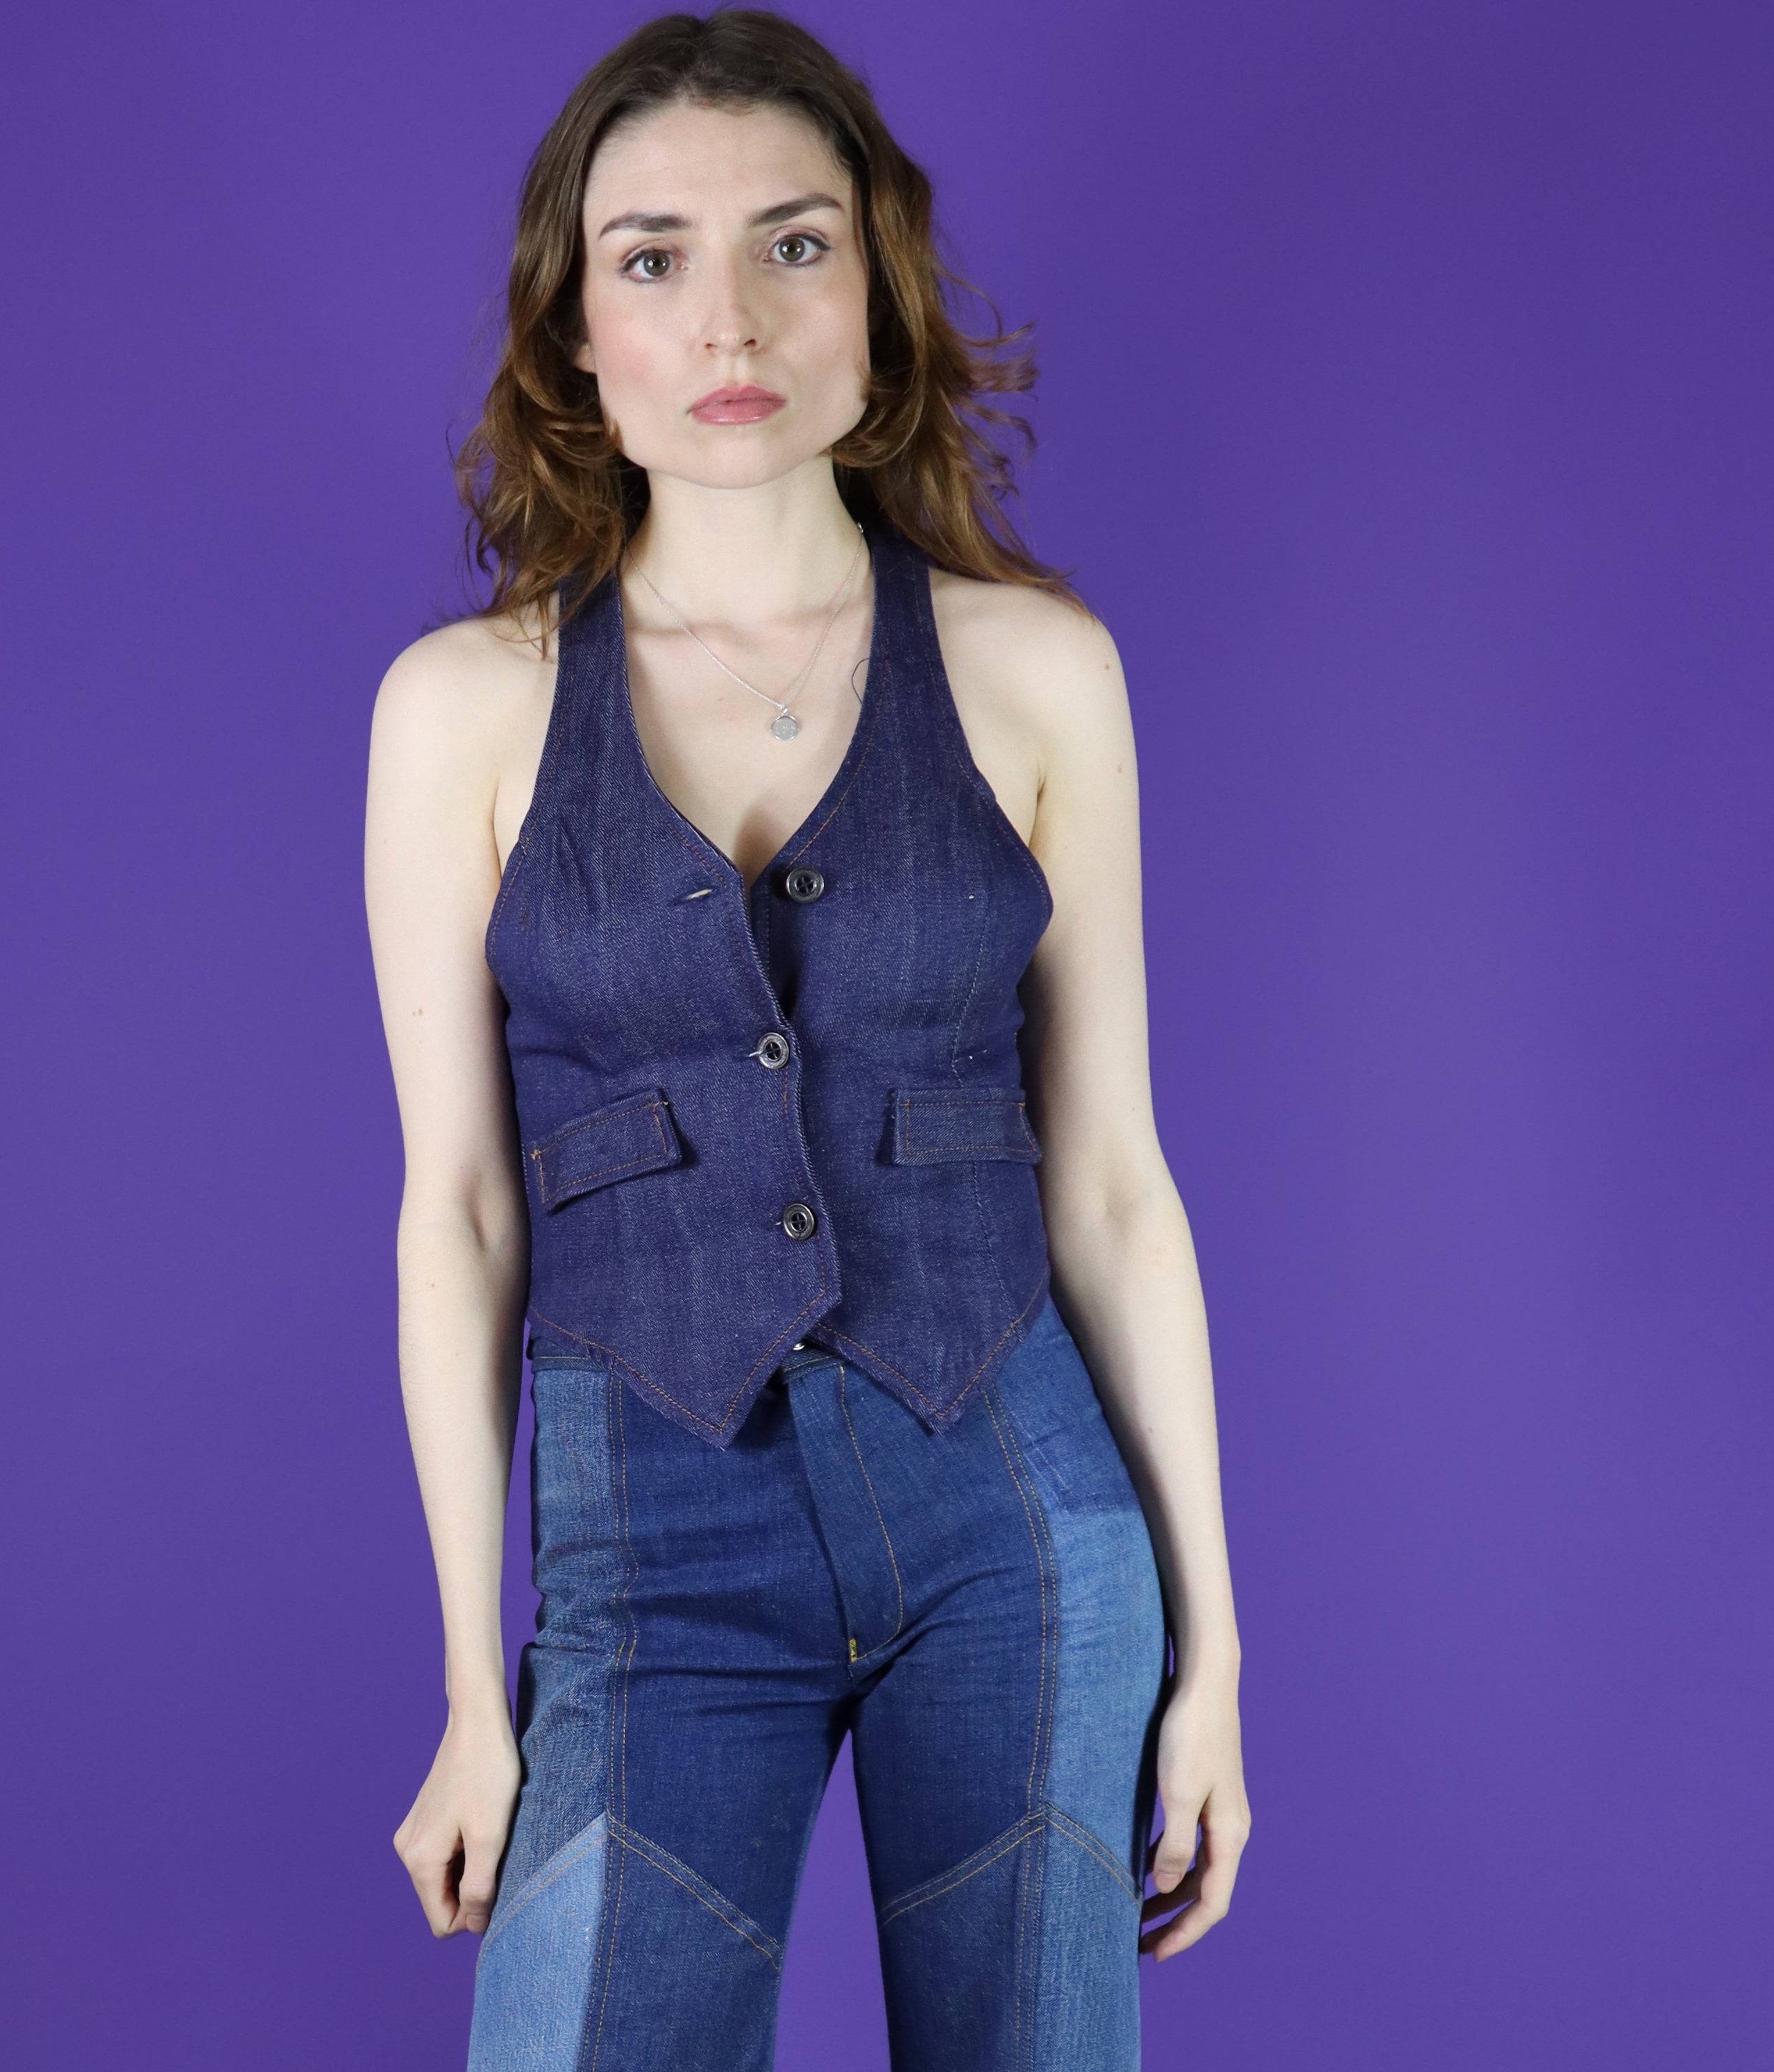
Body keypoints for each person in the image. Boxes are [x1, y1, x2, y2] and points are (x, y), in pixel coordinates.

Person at [364, 11, 1249, 2066]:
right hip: (650, 1545)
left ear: (877, 292)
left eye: (794, 242)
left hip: (1012, 1517)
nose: (729, 316)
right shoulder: (464, 711)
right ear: (577, 331)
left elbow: (1116, 1183)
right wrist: (473, 1687)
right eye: (652, 256)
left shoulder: (1039, 674)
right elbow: (460, 1214)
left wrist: (1216, 1654)